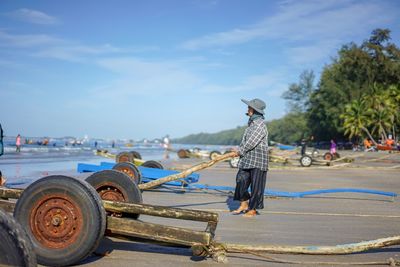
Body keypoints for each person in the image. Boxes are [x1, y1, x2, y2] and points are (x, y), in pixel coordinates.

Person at [232, 98, 268, 218]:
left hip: (258, 159)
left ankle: (252, 209)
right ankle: (244, 204)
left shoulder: (260, 125)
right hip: (247, 158)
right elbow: (245, 141)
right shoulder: (251, 124)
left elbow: (252, 142)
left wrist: (240, 151)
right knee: (240, 180)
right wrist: (238, 150)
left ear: (255, 110)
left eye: (249, 107)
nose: (247, 109)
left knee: (256, 186)